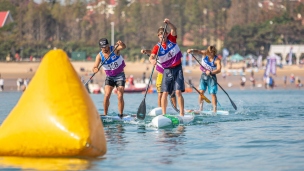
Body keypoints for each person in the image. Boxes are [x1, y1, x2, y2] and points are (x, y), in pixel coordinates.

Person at [149, 18, 185, 116]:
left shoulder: (172, 39)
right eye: (161, 37)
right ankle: (164, 114)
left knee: (178, 92)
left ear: (166, 35)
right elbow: (152, 56)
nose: (163, 38)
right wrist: (152, 60)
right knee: (164, 93)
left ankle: (182, 114)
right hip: (167, 70)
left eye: (164, 36)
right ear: (158, 37)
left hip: (177, 69)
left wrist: (169, 23)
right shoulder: (157, 47)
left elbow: (174, 29)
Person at [93, 38, 126, 118]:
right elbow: (94, 67)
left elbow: (123, 47)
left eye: (105, 46)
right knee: (107, 95)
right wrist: (96, 69)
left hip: (120, 75)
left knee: (120, 95)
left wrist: (121, 43)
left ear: (108, 45)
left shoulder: (114, 49)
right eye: (102, 47)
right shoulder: (99, 56)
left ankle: (121, 115)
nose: (104, 48)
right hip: (110, 77)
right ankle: (105, 114)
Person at [186, 45, 221, 113]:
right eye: (210, 52)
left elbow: (219, 70)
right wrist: (191, 50)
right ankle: (200, 108)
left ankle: (214, 110)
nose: (211, 54)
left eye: (212, 52)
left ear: (214, 52)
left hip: (212, 77)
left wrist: (211, 72)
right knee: (201, 92)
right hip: (203, 76)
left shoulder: (217, 60)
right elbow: (198, 51)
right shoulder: (205, 54)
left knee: (212, 94)